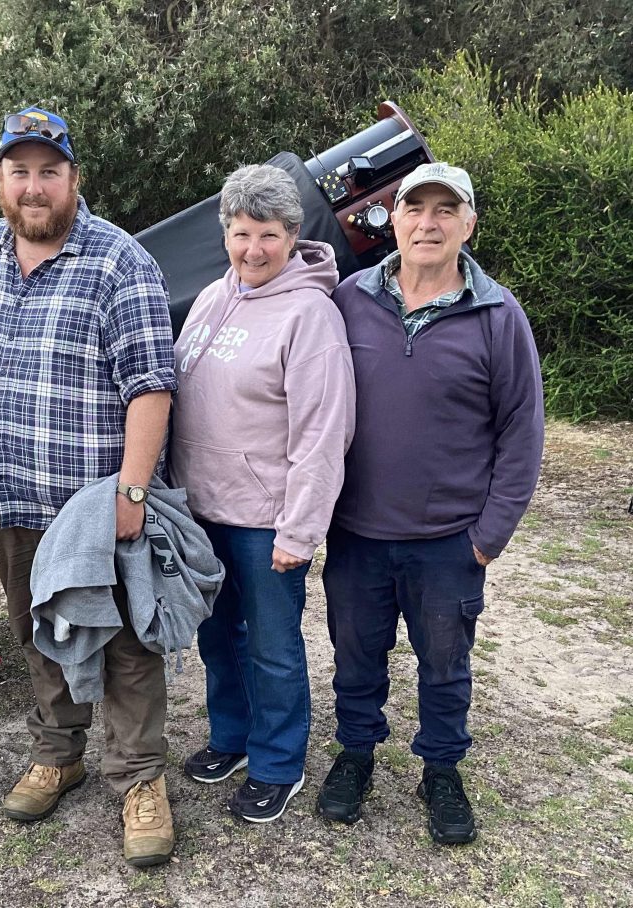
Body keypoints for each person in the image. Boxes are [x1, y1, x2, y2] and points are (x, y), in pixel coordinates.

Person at [0, 107, 178, 866]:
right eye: (20, 171)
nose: (34, 185)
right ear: (1, 181)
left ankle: (140, 778)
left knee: (122, 643)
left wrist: (134, 492)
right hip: (5, 493)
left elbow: (151, 385)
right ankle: (60, 751)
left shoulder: (121, 260)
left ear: (75, 180)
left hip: (89, 505)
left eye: (50, 170)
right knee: (35, 632)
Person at [318, 162, 544, 844]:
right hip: (357, 533)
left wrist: (487, 537)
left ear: (468, 225)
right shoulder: (348, 299)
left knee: (445, 668)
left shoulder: (499, 316)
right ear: (395, 216)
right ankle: (355, 755)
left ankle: (440, 768)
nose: (430, 221)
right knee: (355, 658)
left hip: (449, 542)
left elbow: (522, 434)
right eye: (417, 207)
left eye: (448, 210)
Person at [169, 164, 356, 823]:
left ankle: (279, 763)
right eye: (241, 233)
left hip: (265, 520)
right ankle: (233, 738)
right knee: (218, 638)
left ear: (292, 235)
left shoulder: (311, 315)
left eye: (268, 236)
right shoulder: (218, 296)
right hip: (203, 511)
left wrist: (300, 528)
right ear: (225, 233)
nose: (253, 249)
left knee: (272, 646)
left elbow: (322, 431)